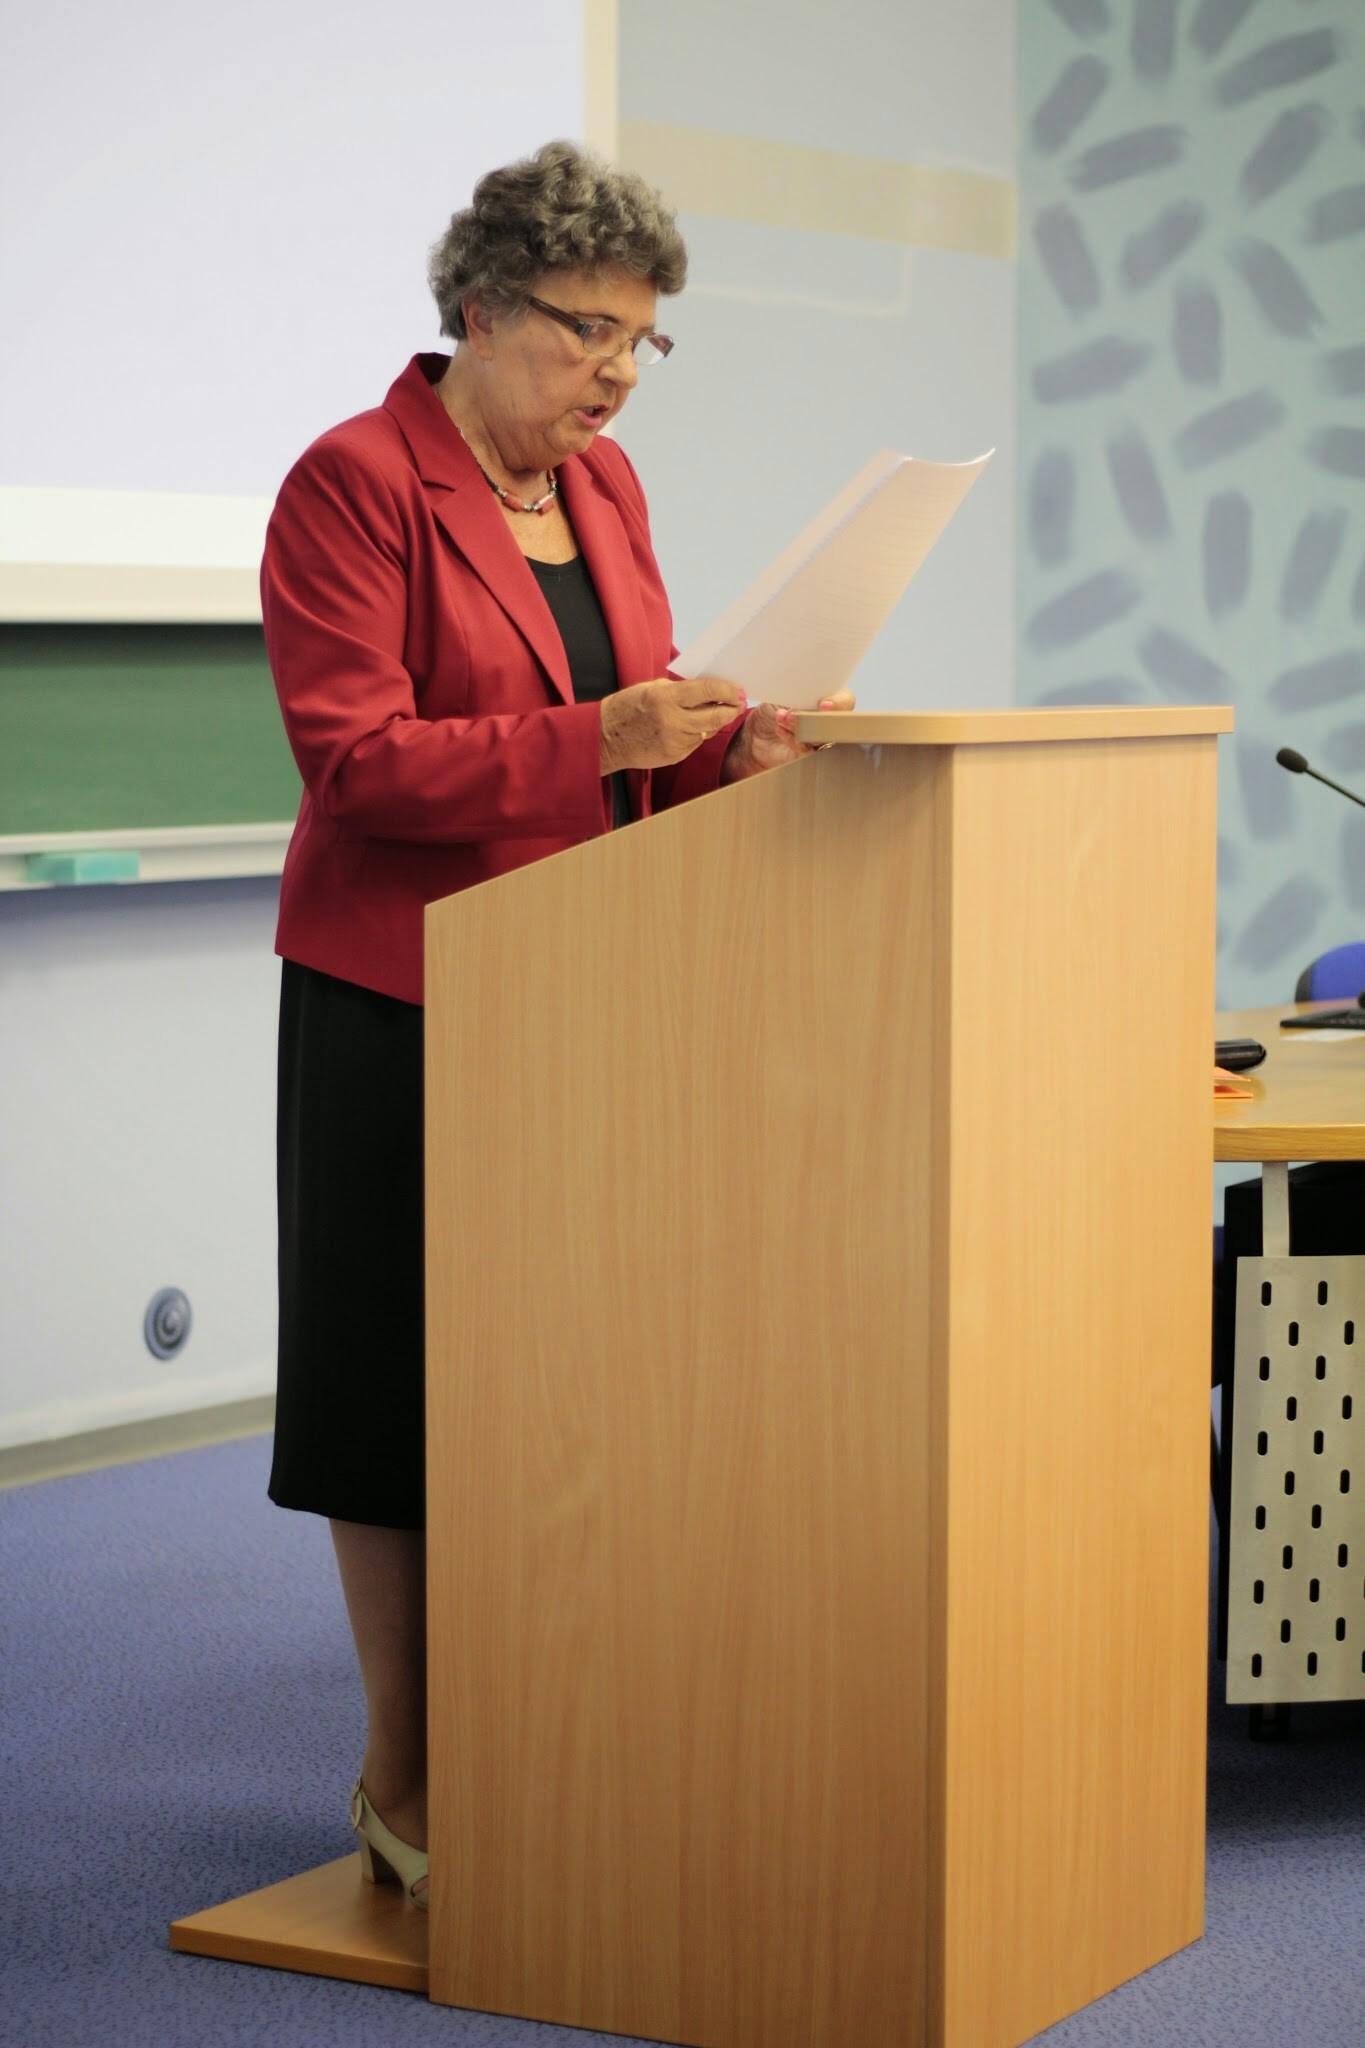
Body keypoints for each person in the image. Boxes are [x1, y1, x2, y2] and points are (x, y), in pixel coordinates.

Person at [261, 139, 854, 1909]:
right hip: (399, 995)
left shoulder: (606, 490)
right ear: (477, 305)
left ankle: (556, 1737)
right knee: (394, 1391)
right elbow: (357, 764)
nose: (613, 372)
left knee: (565, 1383)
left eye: (638, 340)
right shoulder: (354, 482)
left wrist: (727, 753)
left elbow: (627, 754)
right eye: (583, 331)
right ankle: (406, 1769)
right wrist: (605, 737)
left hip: (581, 1000)